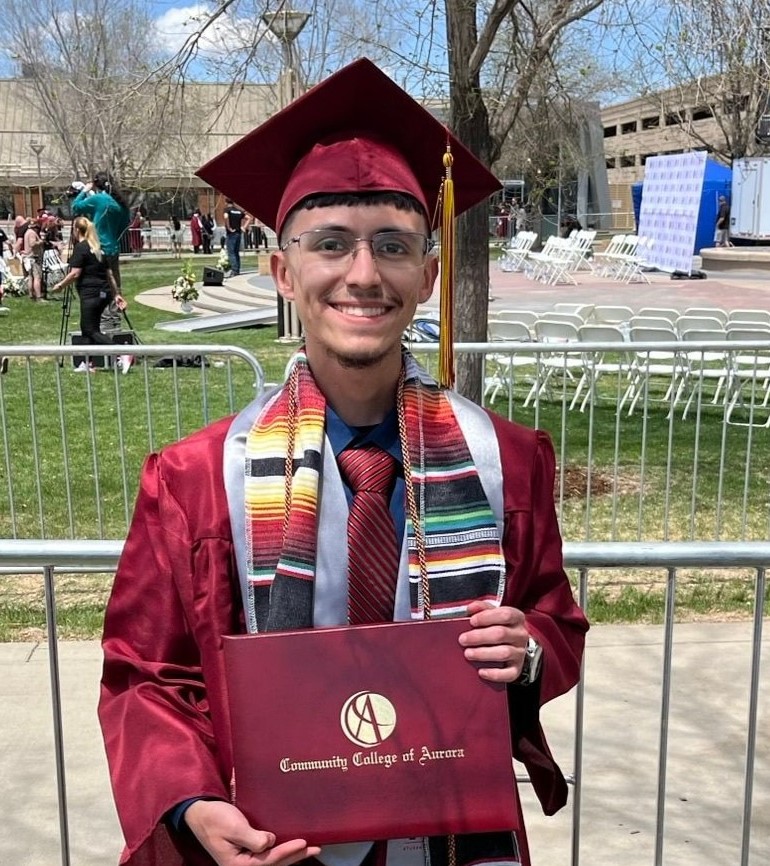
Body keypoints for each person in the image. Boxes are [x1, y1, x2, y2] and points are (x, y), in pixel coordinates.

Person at [98, 58, 588, 866]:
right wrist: (190, 803)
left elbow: (555, 618)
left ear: (427, 276)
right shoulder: (198, 481)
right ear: (284, 273)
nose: (363, 274)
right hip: (273, 845)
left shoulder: (505, 461)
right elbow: (145, 676)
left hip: (453, 839)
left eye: (392, 246)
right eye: (331, 244)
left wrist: (528, 647)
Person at [51, 216, 133, 373]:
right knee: (89, 327)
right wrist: (116, 294)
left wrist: (60, 285)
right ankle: (88, 363)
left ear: (76, 230)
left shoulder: (81, 248)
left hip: (91, 294)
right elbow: (109, 274)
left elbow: (75, 273)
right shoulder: (98, 248)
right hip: (104, 294)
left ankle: (122, 353)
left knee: (90, 330)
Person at [71, 172, 131, 330]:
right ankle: (115, 318)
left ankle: (104, 321)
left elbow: (76, 207)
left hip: (98, 247)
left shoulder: (99, 199)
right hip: (113, 247)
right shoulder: (121, 205)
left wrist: (85, 190)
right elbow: (123, 226)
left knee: (100, 284)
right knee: (115, 283)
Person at [222, 197, 248, 276]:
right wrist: (244, 227)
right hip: (238, 233)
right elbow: (249, 218)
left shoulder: (227, 210)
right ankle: (237, 269)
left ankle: (234, 270)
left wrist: (228, 227)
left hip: (231, 234)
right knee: (236, 252)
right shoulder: (238, 211)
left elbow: (226, 217)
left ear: (226, 202)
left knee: (231, 252)